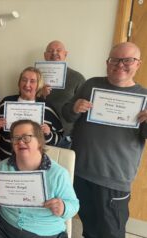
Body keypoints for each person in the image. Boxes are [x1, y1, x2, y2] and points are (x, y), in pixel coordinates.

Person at [62, 42, 147, 238]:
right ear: (107, 62)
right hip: (80, 173)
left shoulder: (144, 96)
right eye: (114, 60)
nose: (120, 65)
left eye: (127, 60)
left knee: (111, 232)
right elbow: (67, 113)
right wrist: (75, 108)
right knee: (89, 227)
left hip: (113, 179)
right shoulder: (91, 84)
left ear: (138, 64)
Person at [0, 119, 79, 238]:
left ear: (39, 141)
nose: (20, 142)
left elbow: (74, 205)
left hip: (44, 232)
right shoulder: (3, 166)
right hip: (4, 225)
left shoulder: (58, 174)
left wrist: (63, 207)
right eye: (16, 138)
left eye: (26, 137)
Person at [0, 66, 63, 163]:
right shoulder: (6, 102)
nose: (27, 84)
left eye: (32, 81)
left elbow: (60, 136)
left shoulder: (47, 108)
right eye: (24, 80)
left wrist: (48, 134)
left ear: (38, 85)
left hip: (34, 164)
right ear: (19, 83)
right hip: (5, 160)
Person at [43, 40, 85, 148]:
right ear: (45, 55)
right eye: (50, 51)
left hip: (64, 138)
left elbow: (82, 110)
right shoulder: (35, 76)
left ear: (65, 54)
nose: (54, 53)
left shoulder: (77, 78)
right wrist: (40, 95)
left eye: (58, 50)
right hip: (38, 135)